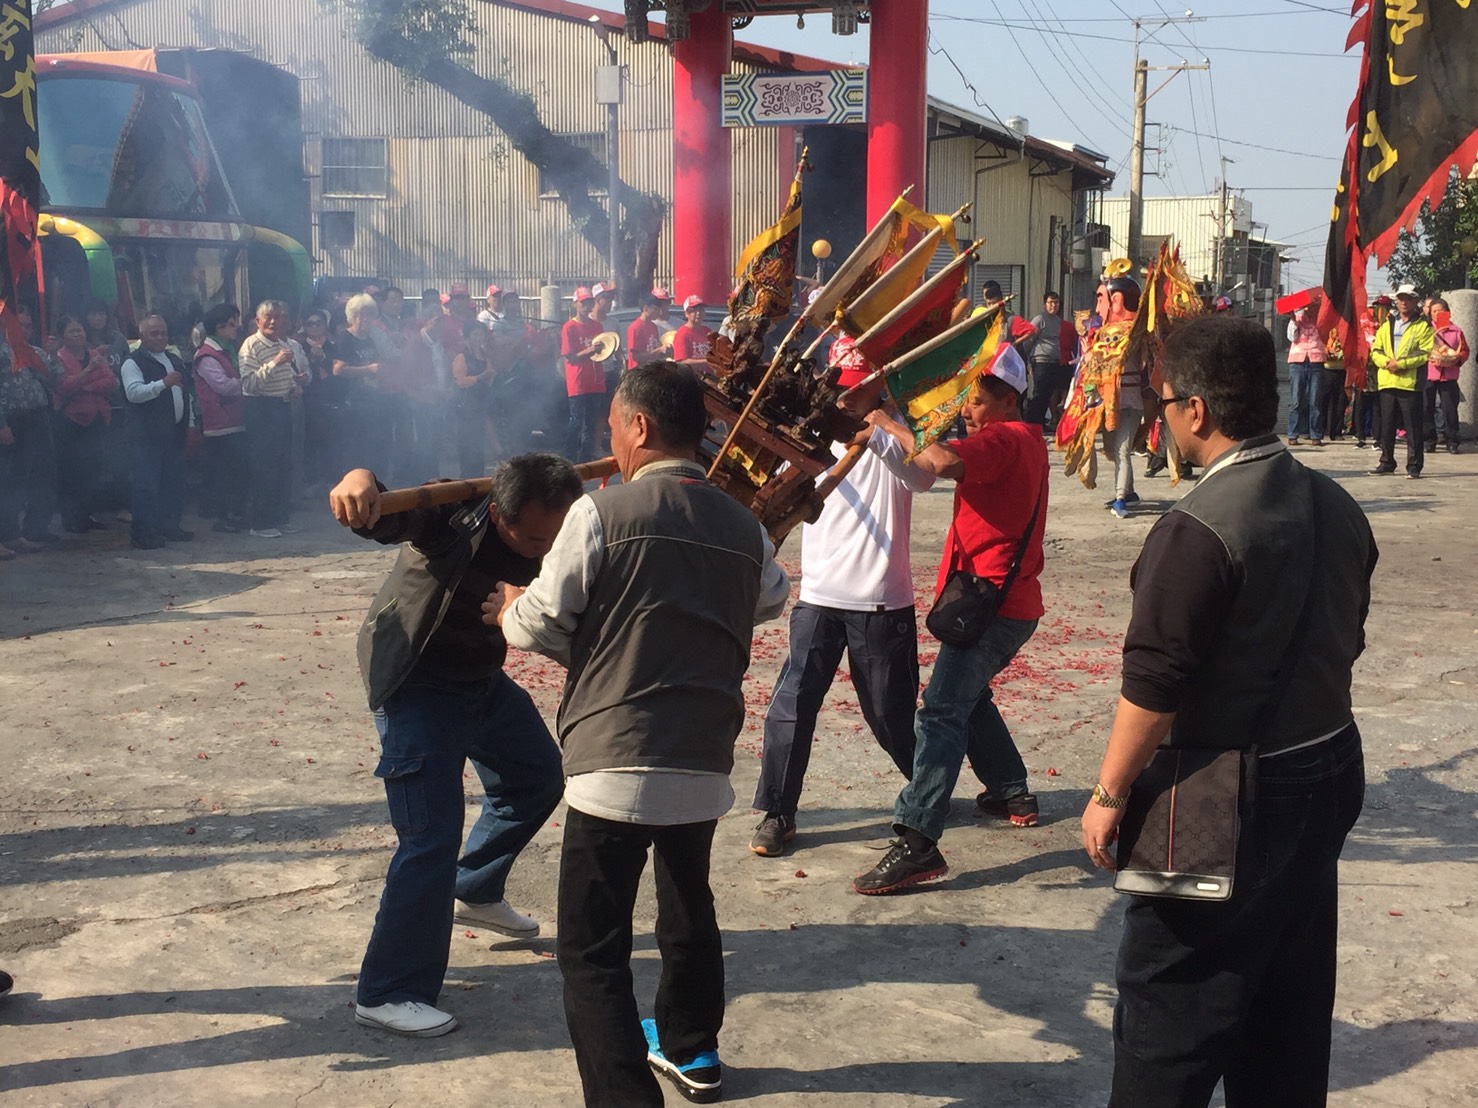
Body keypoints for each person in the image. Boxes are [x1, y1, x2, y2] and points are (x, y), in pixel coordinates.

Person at [1080, 313, 1376, 1107]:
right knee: (1286, 1008)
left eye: (1162, 404)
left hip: (1226, 797)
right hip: (1328, 767)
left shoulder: (1196, 527)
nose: (1160, 420)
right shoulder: (1336, 503)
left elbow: (1154, 685)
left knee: (1170, 1018)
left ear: (1197, 410)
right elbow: (1347, 634)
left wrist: (1109, 792)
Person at [494, 363, 789, 1107]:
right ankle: (693, 1049)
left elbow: (539, 622)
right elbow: (768, 600)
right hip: (701, 761)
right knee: (688, 908)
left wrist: (509, 605)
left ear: (640, 426)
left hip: (615, 760)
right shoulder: (745, 526)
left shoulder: (600, 513)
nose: (612, 444)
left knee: (593, 952)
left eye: (614, 428)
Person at [329, 452, 581, 1038]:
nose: (547, 550)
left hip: (479, 677)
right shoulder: (452, 511)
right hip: (416, 681)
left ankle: (475, 887)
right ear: (498, 515)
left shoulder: (563, 527)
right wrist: (362, 481)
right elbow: (388, 515)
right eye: (533, 540)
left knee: (536, 776)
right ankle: (388, 992)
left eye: (556, 537)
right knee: (429, 840)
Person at [853, 344, 1048, 895]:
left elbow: (937, 463)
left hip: (990, 610)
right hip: (1010, 604)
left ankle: (919, 840)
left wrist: (889, 423)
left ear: (1009, 401)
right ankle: (1010, 789)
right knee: (969, 696)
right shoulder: (1028, 439)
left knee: (940, 711)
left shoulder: (1003, 439)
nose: (967, 410)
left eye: (978, 401)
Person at [750, 337, 933, 858]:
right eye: (842, 388)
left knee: (890, 715)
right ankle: (777, 812)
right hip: (818, 595)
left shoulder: (899, 431)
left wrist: (880, 430)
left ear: (878, 387)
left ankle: (928, 792)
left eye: (857, 389)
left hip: (880, 599)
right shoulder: (810, 432)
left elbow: (924, 477)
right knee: (791, 706)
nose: (846, 399)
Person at [120, 314, 192, 550]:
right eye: (154, 333)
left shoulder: (173, 359)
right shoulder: (132, 362)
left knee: (173, 483)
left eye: (163, 333)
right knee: (146, 487)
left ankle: (170, 527)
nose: (160, 337)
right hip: (146, 436)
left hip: (174, 433)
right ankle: (143, 534)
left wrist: (190, 422)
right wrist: (162, 384)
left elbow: (185, 394)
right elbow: (134, 393)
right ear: (141, 336)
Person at [238, 300, 305, 538]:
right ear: (258, 321)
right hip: (261, 410)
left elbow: (284, 379)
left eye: (279, 316)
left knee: (284, 465)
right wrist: (275, 362)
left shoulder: (282, 344)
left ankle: (280, 518)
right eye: (269, 317)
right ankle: (261, 523)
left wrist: (295, 386)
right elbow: (249, 383)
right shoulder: (251, 345)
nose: (275, 321)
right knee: (264, 467)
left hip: (282, 407)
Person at [49, 313, 117, 533]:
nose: (77, 334)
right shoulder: (59, 358)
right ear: (62, 336)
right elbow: (64, 386)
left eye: (79, 329)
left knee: (93, 468)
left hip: (97, 418)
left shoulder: (94, 354)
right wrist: (88, 371)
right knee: (72, 470)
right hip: (70, 421)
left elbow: (110, 381)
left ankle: (85, 514)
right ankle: (71, 517)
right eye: (72, 331)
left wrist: (86, 386)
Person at [192, 304, 250, 533]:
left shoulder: (227, 350)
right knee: (223, 473)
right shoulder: (206, 356)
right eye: (232, 324)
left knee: (236, 471)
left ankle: (235, 513)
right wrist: (249, 381)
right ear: (219, 327)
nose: (237, 328)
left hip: (235, 419)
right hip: (219, 423)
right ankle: (223, 516)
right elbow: (223, 386)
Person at [1368, 283, 1433, 479]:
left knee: (1413, 427)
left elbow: (1424, 353)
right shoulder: (1387, 323)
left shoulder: (1423, 325)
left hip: (1410, 383)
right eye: (1401, 298)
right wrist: (1386, 363)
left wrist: (1401, 364)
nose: (1404, 302)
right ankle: (1387, 461)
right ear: (1396, 301)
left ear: (1415, 301)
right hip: (1388, 381)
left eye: (1408, 299)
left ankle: (1414, 465)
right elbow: (1376, 349)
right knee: (1387, 426)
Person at [333, 292, 389, 476]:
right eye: (362, 315)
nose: (366, 319)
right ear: (352, 316)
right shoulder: (344, 338)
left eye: (370, 315)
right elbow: (338, 370)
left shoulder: (370, 339)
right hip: (353, 403)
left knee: (372, 446)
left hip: (372, 401)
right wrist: (368, 369)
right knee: (355, 448)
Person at [561, 287, 606, 462]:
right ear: (575, 304)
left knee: (591, 423)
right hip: (578, 382)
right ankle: (569, 457)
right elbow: (569, 356)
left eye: (589, 303)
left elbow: (604, 350)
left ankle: (587, 458)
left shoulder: (597, 326)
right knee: (576, 422)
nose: (586, 306)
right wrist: (589, 350)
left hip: (595, 380)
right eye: (583, 303)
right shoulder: (569, 327)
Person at [1023, 290, 1078, 429]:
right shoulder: (1039, 319)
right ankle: (1032, 424)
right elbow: (1028, 341)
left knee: (1048, 395)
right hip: (1041, 362)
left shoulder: (1058, 322)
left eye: (1056, 302)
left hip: (1055, 363)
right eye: (1050, 302)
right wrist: (1029, 363)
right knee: (1039, 394)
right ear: (1045, 304)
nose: (1053, 305)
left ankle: (1040, 424)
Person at [451, 321, 498, 477]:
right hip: (465, 407)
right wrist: (480, 377)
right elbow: (460, 381)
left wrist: (490, 377)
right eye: (475, 334)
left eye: (480, 334)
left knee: (479, 448)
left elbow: (489, 377)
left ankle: (477, 480)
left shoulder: (484, 355)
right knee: (467, 447)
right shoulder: (462, 356)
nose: (478, 338)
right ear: (468, 337)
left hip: (481, 405)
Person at [1424, 297, 1466, 454]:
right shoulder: (1426, 330)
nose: (1437, 314)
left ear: (1447, 312)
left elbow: (1464, 350)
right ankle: (1429, 440)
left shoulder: (1456, 331)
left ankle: (1452, 440)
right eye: (1434, 311)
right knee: (1427, 408)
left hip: (1449, 375)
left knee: (1450, 409)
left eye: (1440, 311)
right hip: (1429, 374)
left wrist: (1456, 359)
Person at [1286, 303, 1328, 446]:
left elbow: (1326, 335)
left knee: (1315, 400)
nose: (1310, 309)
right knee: (1296, 400)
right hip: (1297, 361)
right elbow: (1291, 337)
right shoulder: (1297, 318)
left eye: (1313, 306)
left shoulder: (1322, 320)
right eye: (1307, 306)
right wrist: (1293, 320)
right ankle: (1293, 434)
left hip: (1316, 361)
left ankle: (1315, 435)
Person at [626, 287, 672, 371]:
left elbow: (655, 349)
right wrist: (659, 350)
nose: (659, 312)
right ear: (646, 309)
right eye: (655, 309)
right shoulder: (635, 327)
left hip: (652, 371)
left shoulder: (653, 326)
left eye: (659, 309)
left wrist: (664, 350)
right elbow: (635, 356)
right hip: (639, 372)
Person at [671, 294, 714, 365]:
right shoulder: (682, 334)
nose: (698, 313)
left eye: (701, 309)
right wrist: (707, 361)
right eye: (694, 310)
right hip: (691, 372)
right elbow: (681, 362)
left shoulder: (708, 331)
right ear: (686, 314)